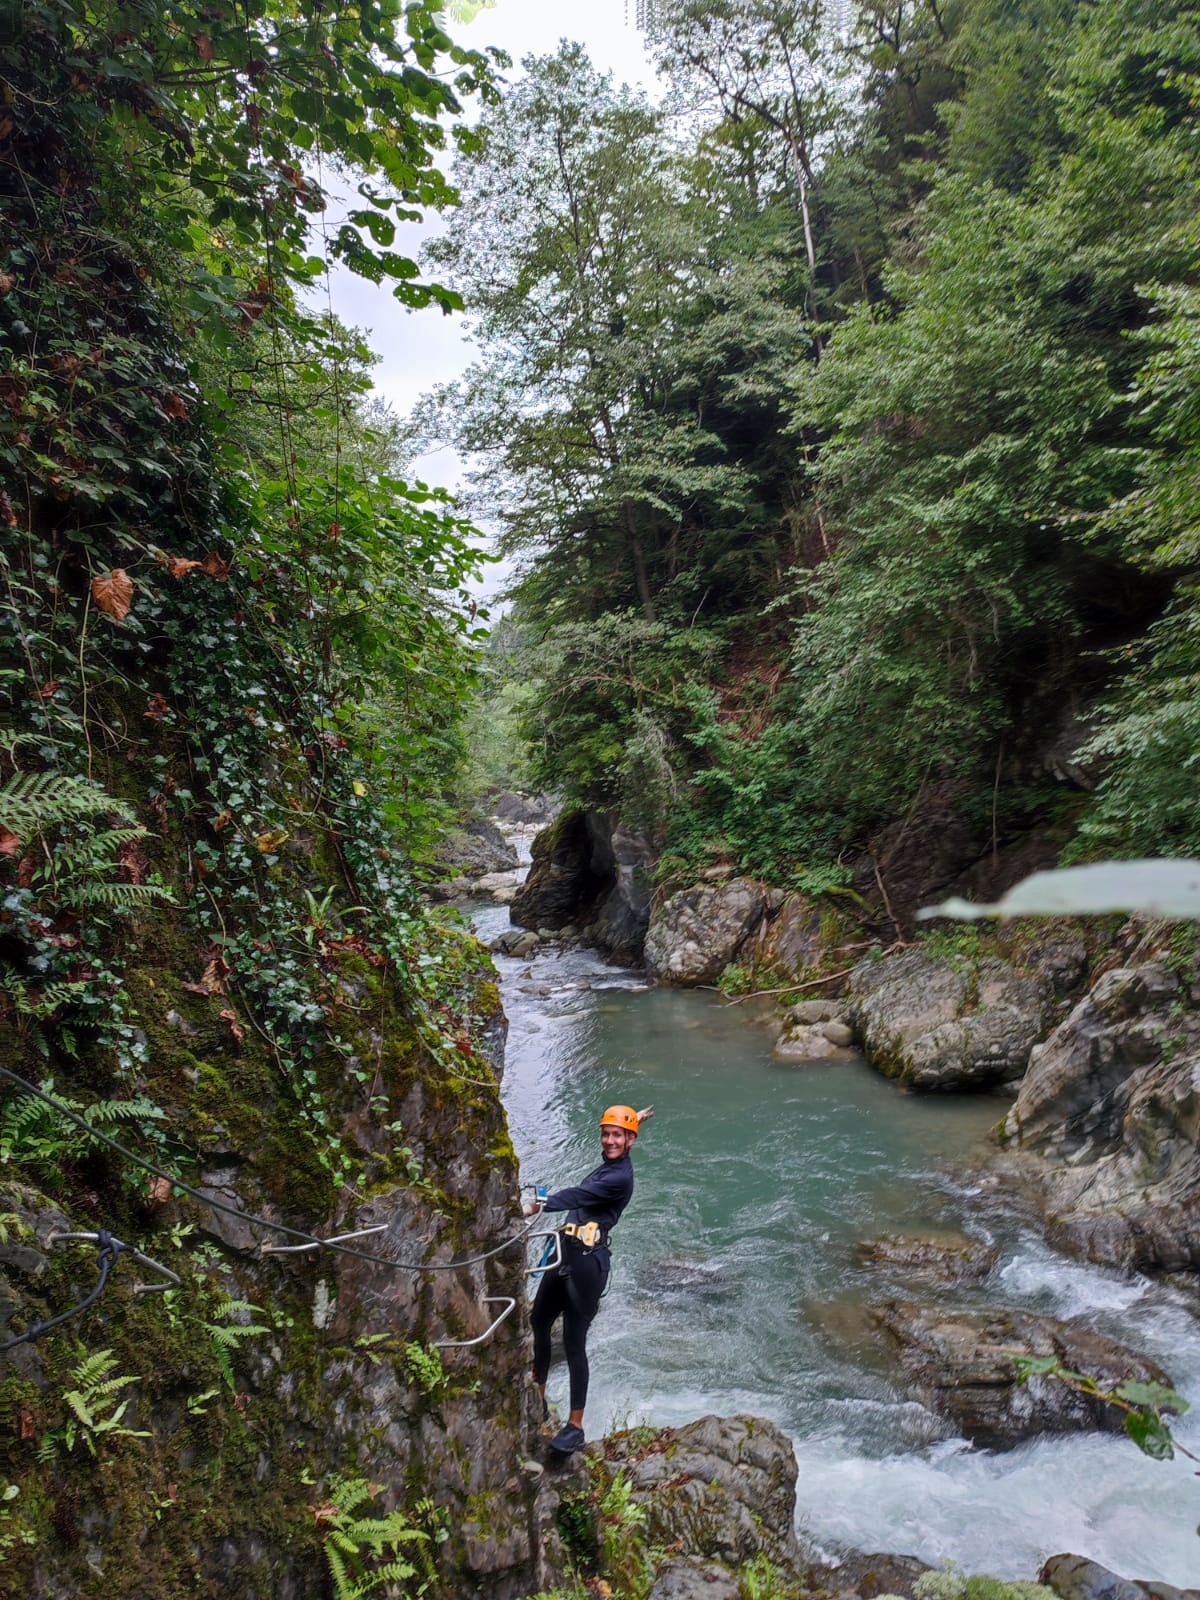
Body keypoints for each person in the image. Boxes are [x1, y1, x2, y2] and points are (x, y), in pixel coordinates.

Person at [523, 1102, 654, 1454]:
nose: (609, 1141)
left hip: (586, 1266)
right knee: (539, 1320)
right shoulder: (612, 1162)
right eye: (607, 1134)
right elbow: (585, 1191)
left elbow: (577, 1196)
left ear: (630, 1142)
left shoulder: (619, 1177)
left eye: (618, 1136)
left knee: (574, 1340)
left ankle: (575, 1425)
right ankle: (538, 1393)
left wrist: (537, 1203)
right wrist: (632, 1121)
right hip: (565, 1254)